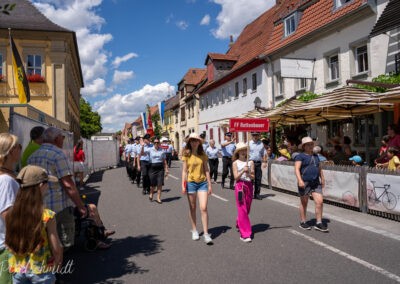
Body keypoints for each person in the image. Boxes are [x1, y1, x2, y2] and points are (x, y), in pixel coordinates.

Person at [28, 127, 113, 250]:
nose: (63, 140)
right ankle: (98, 237)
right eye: (62, 137)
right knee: (63, 243)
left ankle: (100, 234)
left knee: (50, 240)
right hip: (59, 206)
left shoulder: (32, 157)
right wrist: (80, 206)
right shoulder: (58, 155)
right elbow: (67, 184)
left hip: (40, 205)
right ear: (56, 139)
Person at [6, 165, 63, 284]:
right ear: (41, 186)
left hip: (18, 270)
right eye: (47, 182)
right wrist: (57, 265)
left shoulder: (11, 214)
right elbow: (56, 248)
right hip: (41, 271)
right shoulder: (47, 215)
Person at [181, 133, 213, 245]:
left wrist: (209, 184)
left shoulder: (203, 154)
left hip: (202, 182)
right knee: (193, 207)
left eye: (196, 140)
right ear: (189, 142)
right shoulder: (186, 154)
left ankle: (206, 233)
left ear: (199, 142)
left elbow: (207, 170)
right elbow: (184, 171)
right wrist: (183, 185)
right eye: (192, 140)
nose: (194, 142)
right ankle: (194, 230)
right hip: (191, 183)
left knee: (203, 207)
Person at [0, 133, 22, 284]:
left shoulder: (7, 176)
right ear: (9, 151)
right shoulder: (6, 180)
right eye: (18, 146)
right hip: (8, 246)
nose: (21, 149)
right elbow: (7, 214)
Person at [294, 137, 328, 232]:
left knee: (319, 202)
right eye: (308, 144)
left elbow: (319, 168)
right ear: (304, 146)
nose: (310, 146)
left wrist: (323, 178)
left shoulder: (316, 156)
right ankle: (303, 221)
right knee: (304, 203)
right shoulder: (300, 156)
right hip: (305, 182)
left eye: (311, 144)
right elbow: (297, 169)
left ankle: (319, 222)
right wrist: (300, 180)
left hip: (315, 182)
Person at [232, 142, 255, 243]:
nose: (243, 151)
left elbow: (253, 177)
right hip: (239, 186)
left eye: (245, 150)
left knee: (247, 209)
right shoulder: (235, 163)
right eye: (241, 150)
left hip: (249, 186)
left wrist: (249, 173)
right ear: (238, 152)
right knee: (242, 209)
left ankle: (239, 221)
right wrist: (242, 171)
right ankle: (245, 234)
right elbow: (236, 177)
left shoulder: (251, 162)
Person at [143, 137, 168, 204]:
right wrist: (142, 146)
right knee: (153, 185)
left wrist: (166, 169)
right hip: (152, 168)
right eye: (155, 142)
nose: (156, 143)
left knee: (159, 184)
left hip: (160, 169)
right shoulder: (150, 150)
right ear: (153, 143)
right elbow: (142, 153)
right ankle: (151, 193)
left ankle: (158, 198)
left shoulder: (162, 150)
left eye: (157, 142)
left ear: (159, 143)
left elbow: (164, 160)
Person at [249, 132, 264, 200]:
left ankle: (257, 194)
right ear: (252, 135)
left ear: (259, 135)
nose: (255, 136)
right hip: (251, 163)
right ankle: (250, 193)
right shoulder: (249, 143)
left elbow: (264, 154)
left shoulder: (261, 144)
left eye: (256, 135)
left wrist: (265, 162)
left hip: (258, 163)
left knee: (258, 179)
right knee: (251, 179)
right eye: (254, 135)